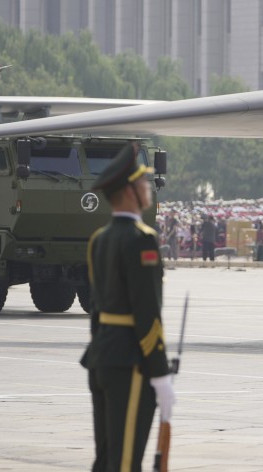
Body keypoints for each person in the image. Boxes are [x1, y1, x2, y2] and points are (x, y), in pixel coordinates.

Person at [81, 142, 174, 472]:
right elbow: (147, 312)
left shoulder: (99, 239)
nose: (148, 188)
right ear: (130, 191)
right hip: (130, 364)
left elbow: (96, 310)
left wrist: (99, 351)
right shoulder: (140, 239)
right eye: (144, 182)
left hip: (101, 358)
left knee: (106, 460)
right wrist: (160, 374)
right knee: (123, 464)